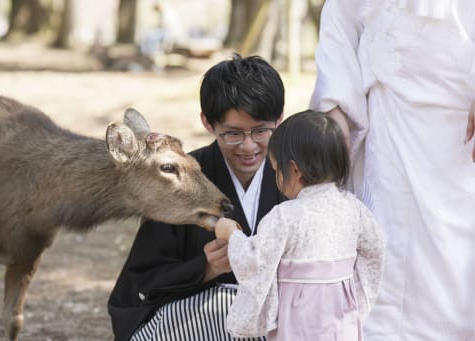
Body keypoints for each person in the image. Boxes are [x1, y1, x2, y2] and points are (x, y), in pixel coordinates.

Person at [309, 1, 475, 340]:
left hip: (460, 122)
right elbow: (339, 22)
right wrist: (336, 114)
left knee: (455, 255)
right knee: (385, 241)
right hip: (387, 122)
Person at [108, 53, 286, 341]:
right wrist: (205, 269)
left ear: (279, 119)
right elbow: (144, 281)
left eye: (261, 130)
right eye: (233, 133)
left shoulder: (296, 174)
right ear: (207, 122)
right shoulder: (176, 180)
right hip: (198, 324)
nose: (249, 146)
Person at [214, 110, 386, 340]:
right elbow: (375, 249)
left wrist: (232, 234)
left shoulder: (285, 216)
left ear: (294, 170)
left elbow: (254, 261)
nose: (276, 178)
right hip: (341, 315)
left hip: (298, 318)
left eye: (276, 170)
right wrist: (355, 293)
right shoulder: (354, 209)